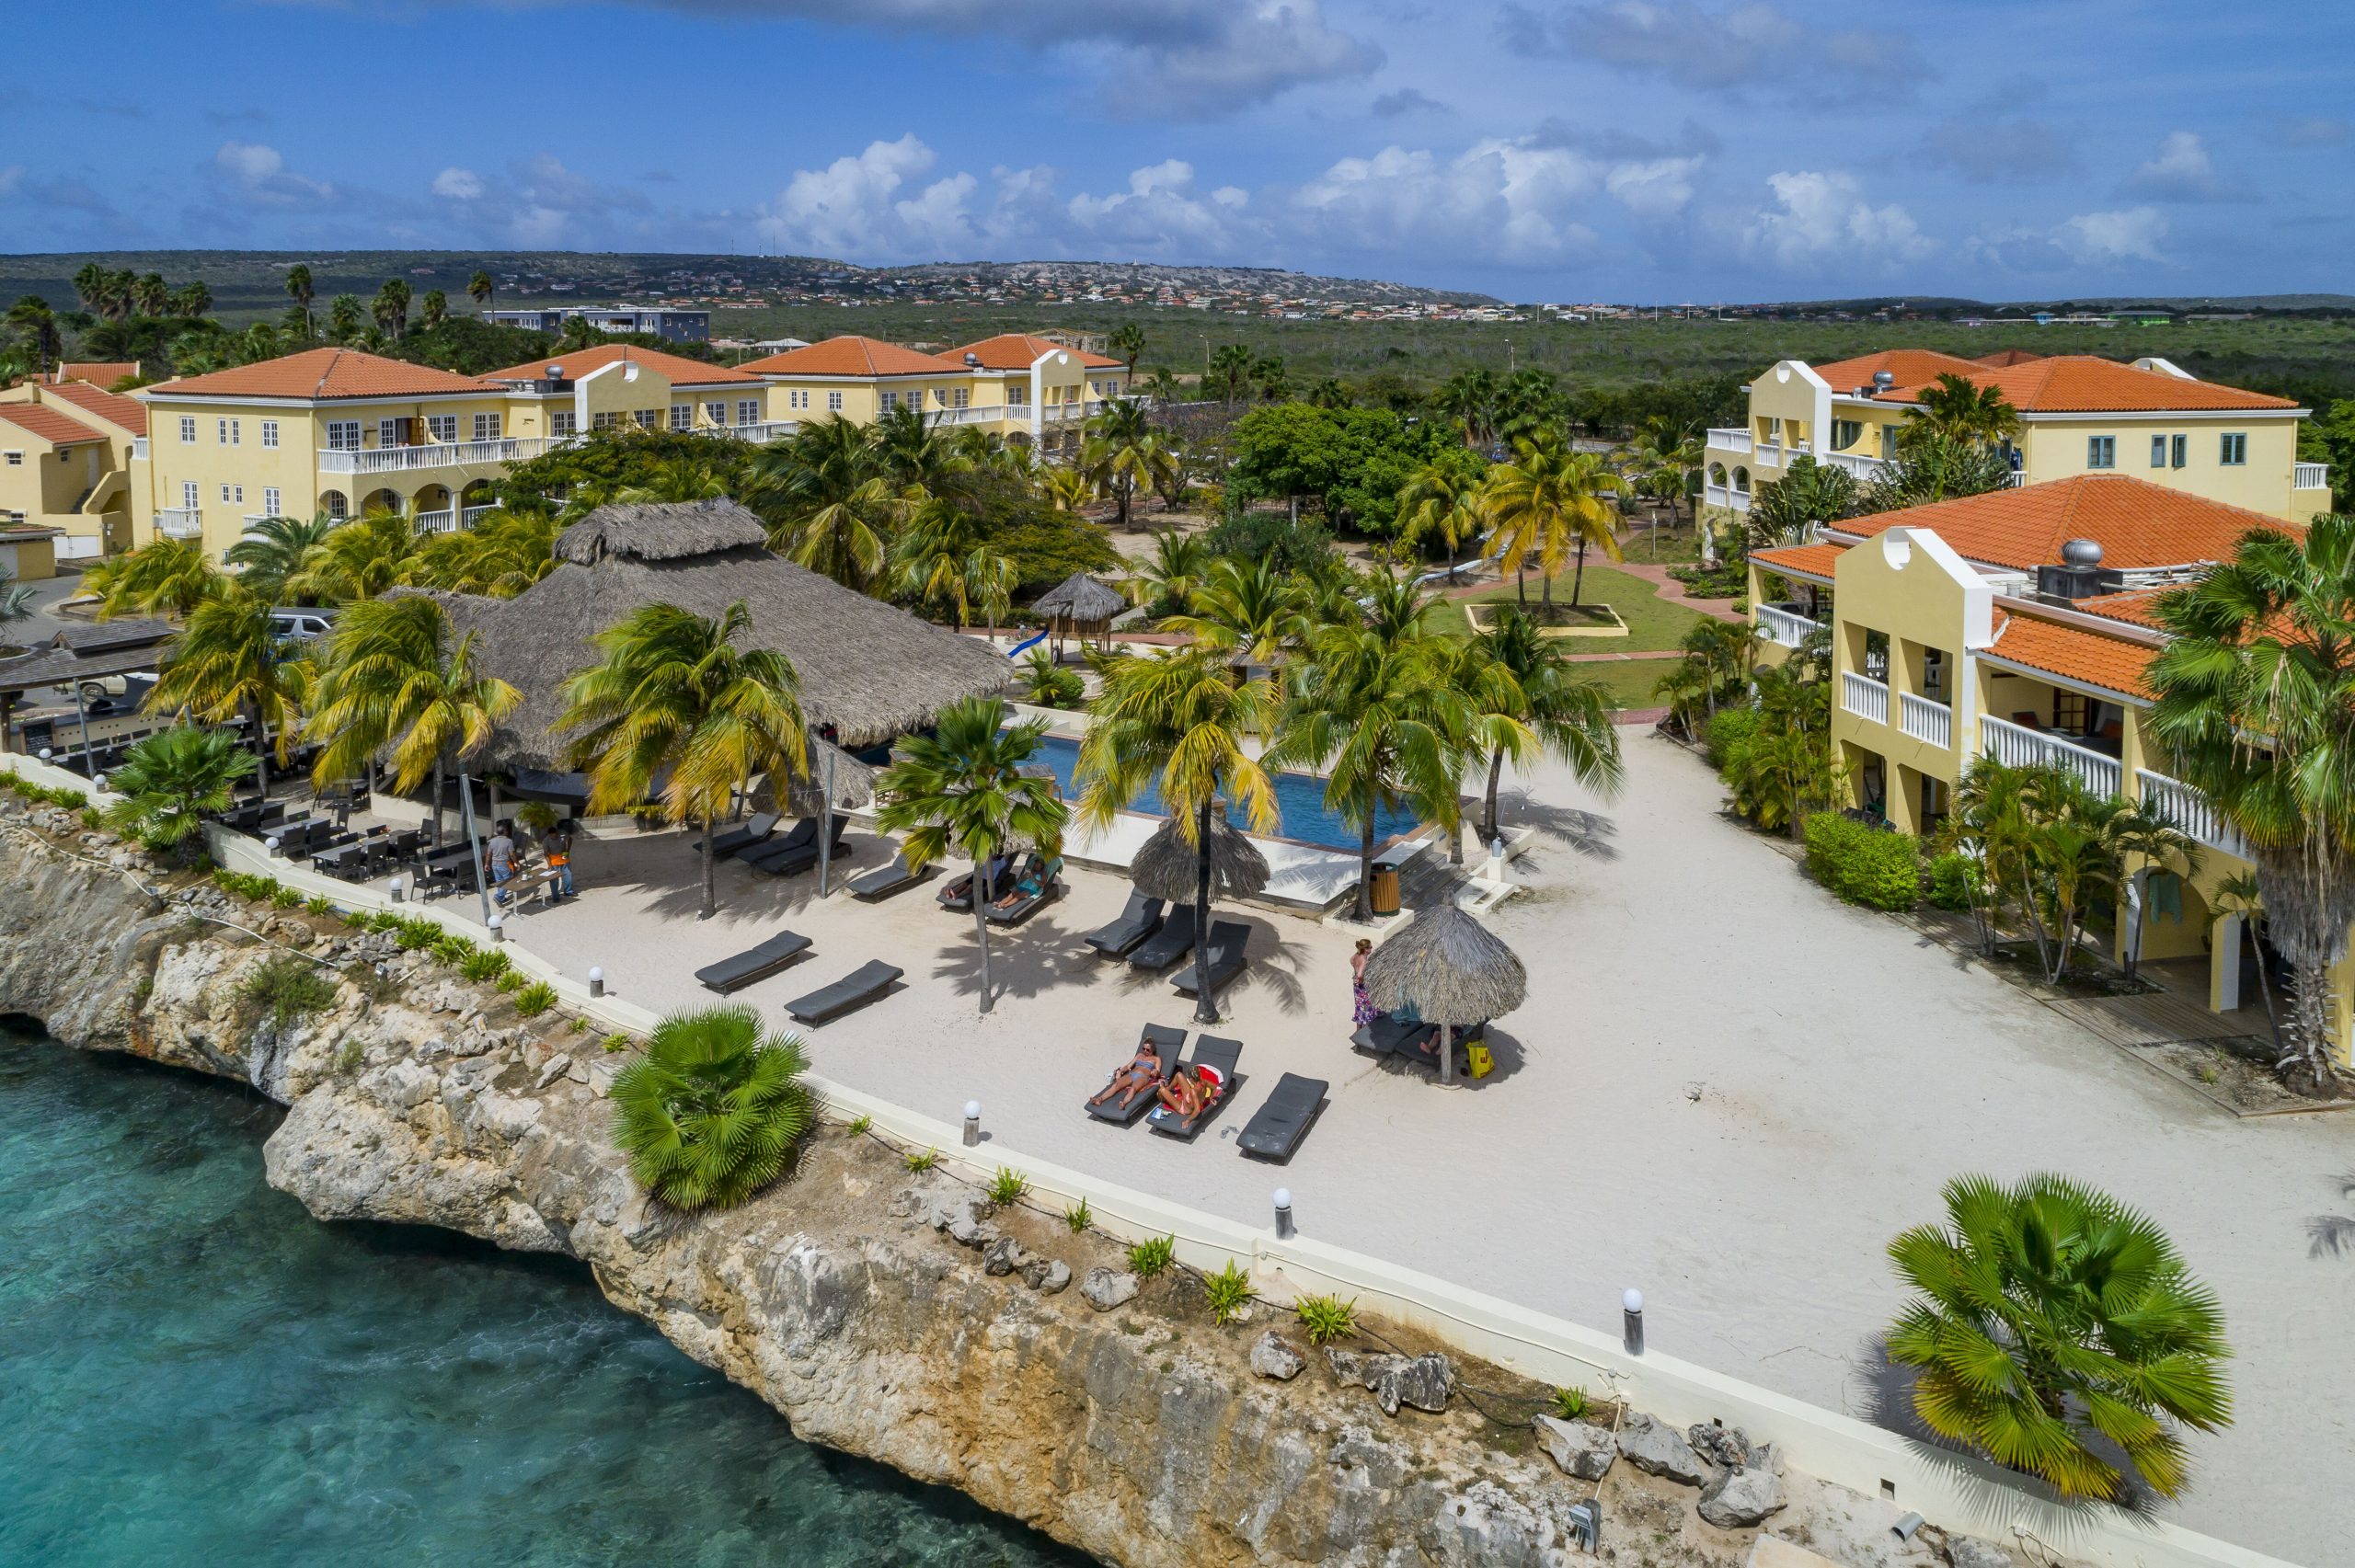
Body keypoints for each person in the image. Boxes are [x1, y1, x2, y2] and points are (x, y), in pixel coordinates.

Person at [1087, 1036, 1164, 1111]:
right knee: (1116, 1085)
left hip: (1143, 1077)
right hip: (1131, 1074)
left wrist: (1155, 1072)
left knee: (1133, 1089)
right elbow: (1128, 1066)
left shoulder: (1156, 1059)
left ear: (1152, 1049)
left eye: (1148, 1050)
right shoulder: (1139, 1055)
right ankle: (1099, 1099)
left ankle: (1123, 1103)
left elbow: (1158, 1071)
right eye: (1144, 1049)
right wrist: (1120, 1071)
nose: (1145, 1051)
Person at [485, 820, 516, 907]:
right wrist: (516, 862)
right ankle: (498, 896)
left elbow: (488, 854)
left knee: (499, 881)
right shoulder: (509, 841)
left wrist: (487, 864)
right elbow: (512, 854)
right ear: (505, 832)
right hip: (503, 864)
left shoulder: (492, 841)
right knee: (507, 881)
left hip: (494, 864)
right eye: (506, 830)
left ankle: (501, 898)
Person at [545, 819, 576, 898]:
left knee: (568, 874)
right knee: (554, 878)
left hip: (563, 856)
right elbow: (546, 854)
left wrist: (567, 850)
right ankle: (555, 896)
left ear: (557, 832)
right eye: (552, 836)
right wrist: (549, 865)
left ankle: (568, 891)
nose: (554, 837)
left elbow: (570, 839)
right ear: (549, 835)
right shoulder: (546, 841)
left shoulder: (563, 833)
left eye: (555, 835)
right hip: (553, 859)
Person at [1350, 937, 1377, 1027]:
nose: (1371, 948)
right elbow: (1360, 975)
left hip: (1356, 985)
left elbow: (1351, 960)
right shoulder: (1364, 959)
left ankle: (1358, 1029)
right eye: (1370, 947)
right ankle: (1364, 1032)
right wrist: (1363, 981)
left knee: (1359, 1007)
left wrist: (1355, 969)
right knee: (1366, 1009)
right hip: (1362, 985)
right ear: (1366, 949)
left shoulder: (1356, 955)